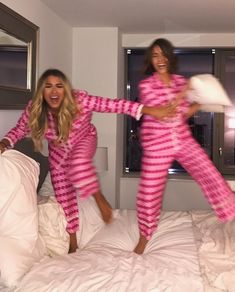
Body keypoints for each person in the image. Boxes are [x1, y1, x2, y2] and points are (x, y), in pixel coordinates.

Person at [0, 68, 179, 253]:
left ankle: (100, 199)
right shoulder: (34, 109)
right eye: (48, 86)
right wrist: (4, 143)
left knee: (78, 164)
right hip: (58, 152)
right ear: (42, 91)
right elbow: (19, 129)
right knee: (64, 198)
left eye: (59, 86)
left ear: (66, 90)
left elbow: (115, 105)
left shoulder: (80, 100)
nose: (54, 91)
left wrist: (152, 110)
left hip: (84, 139)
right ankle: (73, 244)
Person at [134, 38, 235, 255]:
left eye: (164, 54)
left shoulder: (180, 81)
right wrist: (185, 91)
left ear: (170, 57)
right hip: (157, 144)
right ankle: (144, 236)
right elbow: (164, 111)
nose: (160, 59)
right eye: (155, 55)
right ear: (150, 60)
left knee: (211, 173)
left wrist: (201, 100)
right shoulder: (147, 85)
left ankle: (230, 213)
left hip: (181, 138)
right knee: (149, 193)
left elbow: (184, 113)